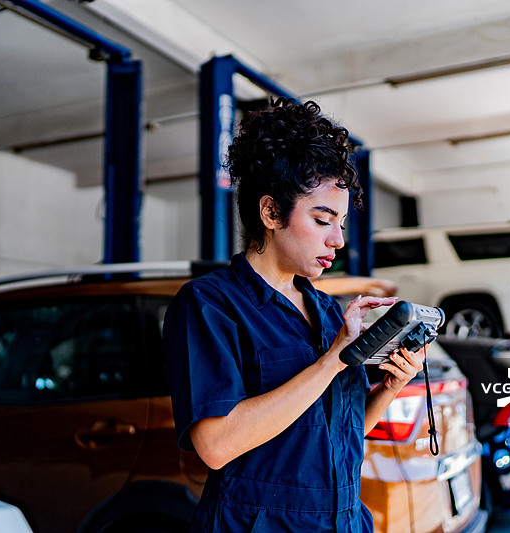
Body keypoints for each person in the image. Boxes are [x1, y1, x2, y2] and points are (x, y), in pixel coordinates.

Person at [164, 98, 424, 532]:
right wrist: (332, 360)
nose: (337, 240)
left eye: (341, 223)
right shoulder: (210, 305)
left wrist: (390, 388)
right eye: (323, 220)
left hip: (343, 519)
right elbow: (215, 444)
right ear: (270, 212)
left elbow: (340, 434)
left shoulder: (326, 311)